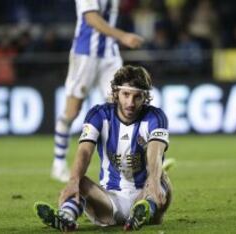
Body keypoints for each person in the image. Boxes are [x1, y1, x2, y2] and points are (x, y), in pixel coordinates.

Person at [35, 65, 172, 231]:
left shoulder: (156, 116)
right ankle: (66, 217)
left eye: (137, 97)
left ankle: (143, 211)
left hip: (145, 192)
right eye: (126, 94)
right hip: (108, 201)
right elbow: (85, 151)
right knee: (79, 180)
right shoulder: (98, 115)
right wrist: (73, 182)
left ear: (145, 97)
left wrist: (154, 182)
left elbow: (155, 152)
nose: (130, 103)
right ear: (116, 93)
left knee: (161, 178)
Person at [52, 0, 144, 182]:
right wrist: (123, 36)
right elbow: (91, 18)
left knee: (121, 107)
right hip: (85, 54)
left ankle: (126, 164)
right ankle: (59, 163)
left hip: (110, 55)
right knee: (71, 112)